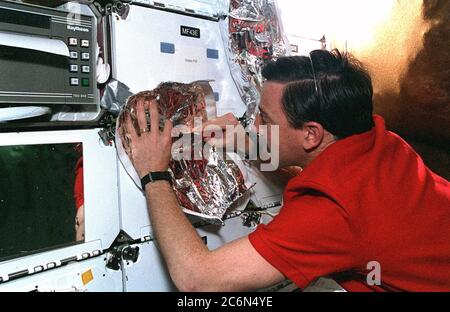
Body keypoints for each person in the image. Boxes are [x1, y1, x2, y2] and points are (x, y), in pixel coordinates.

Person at [120, 49, 450, 292]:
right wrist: (252, 147)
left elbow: (197, 278)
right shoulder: (378, 141)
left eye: (265, 118)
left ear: (312, 134)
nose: (252, 124)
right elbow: (345, 196)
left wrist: (154, 173)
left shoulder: (331, 214)